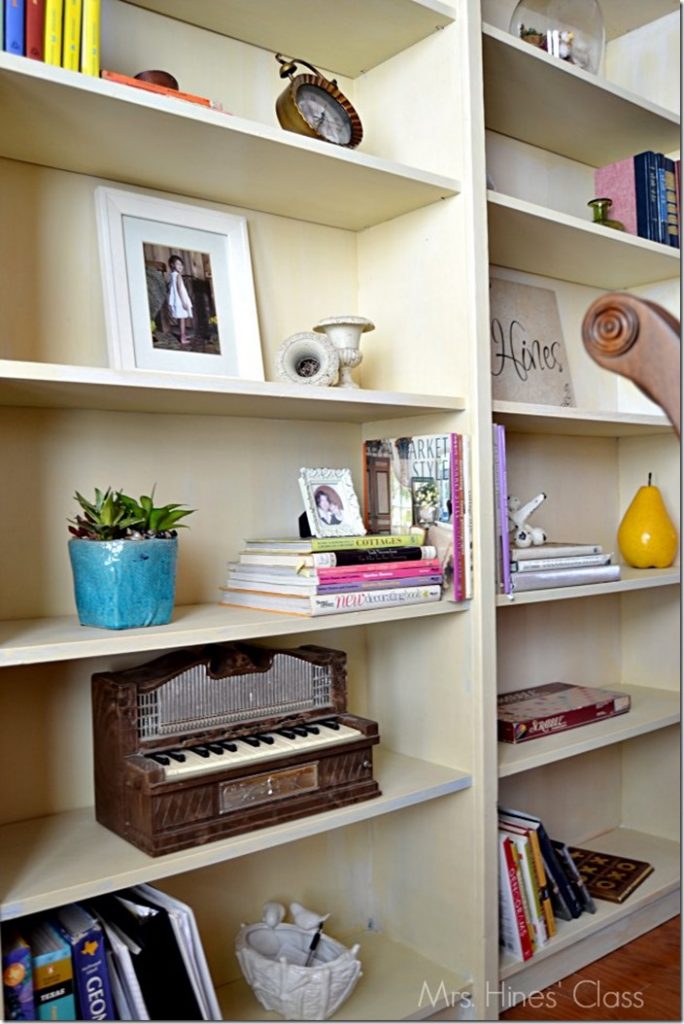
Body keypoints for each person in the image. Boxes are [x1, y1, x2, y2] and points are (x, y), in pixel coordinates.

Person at [167, 254, 193, 344]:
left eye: (181, 264)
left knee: (181, 319)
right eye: (178, 264)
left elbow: (171, 288)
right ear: (172, 265)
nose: (180, 266)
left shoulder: (172, 275)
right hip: (180, 300)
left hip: (176, 300)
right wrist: (183, 302)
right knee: (182, 319)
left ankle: (183, 334)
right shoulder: (178, 276)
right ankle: (183, 338)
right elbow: (179, 289)